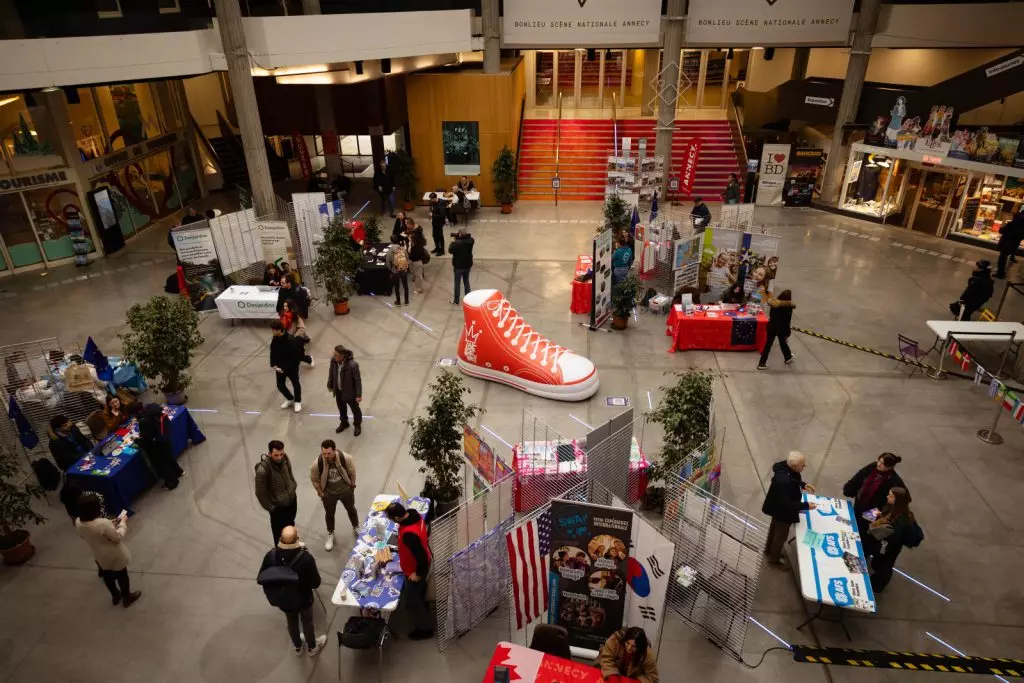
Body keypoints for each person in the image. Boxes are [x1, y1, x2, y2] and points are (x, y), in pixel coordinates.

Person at [258, 526, 327, 656]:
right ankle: (312, 647)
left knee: (291, 621)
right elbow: (316, 583)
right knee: (307, 622)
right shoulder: (306, 558)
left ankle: (298, 647)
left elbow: (262, 576)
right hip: (303, 599)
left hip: (283, 598)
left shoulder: (271, 555)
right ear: (297, 539)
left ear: (280, 539)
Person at [75, 492, 142, 607]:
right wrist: (122, 523)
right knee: (122, 575)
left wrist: (112, 523)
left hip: (99, 553)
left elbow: (95, 531)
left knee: (107, 575)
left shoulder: (78, 522)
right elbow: (117, 537)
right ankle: (127, 597)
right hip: (114, 554)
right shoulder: (103, 524)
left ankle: (115, 595)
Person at [384, 502, 434, 640]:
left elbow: (421, 558)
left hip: (415, 569)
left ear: (397, 518)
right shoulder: (413, 514)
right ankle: (422, 599)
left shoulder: (409, 535)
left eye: (391, 518)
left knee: (413, 600)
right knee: (418, 592)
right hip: (423, 560)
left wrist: (417, 574)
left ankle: (425, 629)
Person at [761, 451, 816, 568]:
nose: (804, 467)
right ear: (794, 466)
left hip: (775, 508)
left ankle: (769, 550)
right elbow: (787, 504)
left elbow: (793, 479)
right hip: (782, 514)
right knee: (780, 536)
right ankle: (774, 560)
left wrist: (802, 484)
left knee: (773, 530)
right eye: (803, 465)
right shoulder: (784, 482)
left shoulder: (785, 468)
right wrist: (806, 506)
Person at [843, 452, 907, 540]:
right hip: (860, 504)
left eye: (882, 464)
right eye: (879, 461)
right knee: (853, 523)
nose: (879, 464)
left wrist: (883, 511)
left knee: (863, 529)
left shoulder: (894, 481)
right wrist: (849, 489)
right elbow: (859, 477)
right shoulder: (872, 467)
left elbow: (903, 498)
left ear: (890, 467)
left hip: (873, 511)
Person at [309, 439, 358, 551]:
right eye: (324, 453)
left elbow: (352, 472)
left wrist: (352, 486)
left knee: (351, 509)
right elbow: (314, 479)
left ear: (335, 450)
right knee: (330, 514)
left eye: (329, 453)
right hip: (329, 494)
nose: (326, 456)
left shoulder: (346, 458)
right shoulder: (317, 464)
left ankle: (356, 526)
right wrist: (321, 493)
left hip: (345, 490)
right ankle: (330, 533)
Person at [867, 487, 916, 592]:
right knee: (879, 562)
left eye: (891, 496)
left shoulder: (902, 519)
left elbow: (895, 537)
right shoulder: (892, 508)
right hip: (884, 544)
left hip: (889, 547)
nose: (887, 497)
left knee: (885, 566)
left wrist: (880, 529)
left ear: (897, 500)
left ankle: (878, 585)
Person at [255, 440, 298, 544]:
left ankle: (292, 546)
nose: (279, 458)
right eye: (276, 455)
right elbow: (260, 493)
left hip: (291, 501)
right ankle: (280, 551)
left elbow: (289, 471)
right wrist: (272, 509)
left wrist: (293, 485)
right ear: (269, 454)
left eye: (281, 454)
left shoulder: (285, 458)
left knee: (290, 527)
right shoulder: (263, 471)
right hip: (278, 509)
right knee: (279, 535)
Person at [137, 403, 184, 490]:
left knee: (163, 465)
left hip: (157, 445)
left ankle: (172, 482)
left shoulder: (144, 421)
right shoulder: (159, 413)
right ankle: (178, 471)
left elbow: (146, 437)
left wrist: (139, 440)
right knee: (169, 458)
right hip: (165, 440)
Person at [327, 345, 363, 436]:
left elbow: (357, 380)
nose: (333, 355)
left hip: (350, 392)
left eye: (335, 354)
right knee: (341, 408)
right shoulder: (333, 361)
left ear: (342, 356)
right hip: (339, 391)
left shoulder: (353, 365)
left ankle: (357, 424)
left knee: (355, 409)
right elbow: (331, 372)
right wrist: (330, 384)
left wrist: (358, 395)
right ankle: (344, 423)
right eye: (334, 353)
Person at [757, 289, 795, 370]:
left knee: (768, 345)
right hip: (781, 328)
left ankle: (762, 363)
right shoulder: (788, 307)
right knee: (783, 343)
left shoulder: (774, 304)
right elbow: (787, 321)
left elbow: (771, 315)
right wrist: (788, 332)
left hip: (771, 326)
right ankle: (788, 357)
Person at [270, 320, 304, 412]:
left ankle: (298, 401)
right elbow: (273, 351)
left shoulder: (291, 340)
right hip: (279, 367)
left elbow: (295, 358)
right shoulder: (275, 338)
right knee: (280, 385)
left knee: (295, 384)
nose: (272, 332)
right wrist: (273, 364)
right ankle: (290, 399)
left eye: (273, 330)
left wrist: (283, 368)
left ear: (279, 330)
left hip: (292, 367)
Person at [996, 209, 1024, 279]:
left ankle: (1000, 273)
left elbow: (1001, 231)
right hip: (1014, 243)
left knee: (1002, 258)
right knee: (1004, 257)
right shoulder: (1022, 225)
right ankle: (1001, 272)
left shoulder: (1012, 224)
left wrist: (1004, 225)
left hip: (1007, 243)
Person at [449, 229, 475, 305]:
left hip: (458, 266)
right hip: (467, 265)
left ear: (460, 235)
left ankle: (456, 300)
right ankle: (468, 298)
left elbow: (450, 250)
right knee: (466, 281)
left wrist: (453, 242)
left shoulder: (456, 243)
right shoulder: (471, 241)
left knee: (457, 283)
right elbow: (468, 239)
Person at [386, 234, 411, 306]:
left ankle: (398, 301)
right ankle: (406, 301)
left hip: (395, 271)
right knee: (405, 286)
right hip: (403, 270)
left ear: (391, 241)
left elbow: (388, 263)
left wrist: (392, 269)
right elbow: (407, 259)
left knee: (397, 287)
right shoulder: (402, 249)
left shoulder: (390, 251)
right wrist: (405, 267)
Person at [408, 221, 429, 294]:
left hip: (417, 260)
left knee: (418, 275)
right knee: (417, 274)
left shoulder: (416, 244)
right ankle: (418, 287)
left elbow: (415, 252)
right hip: (416, 259)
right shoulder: (417, 239)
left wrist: (411, 253)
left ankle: (419, 289)